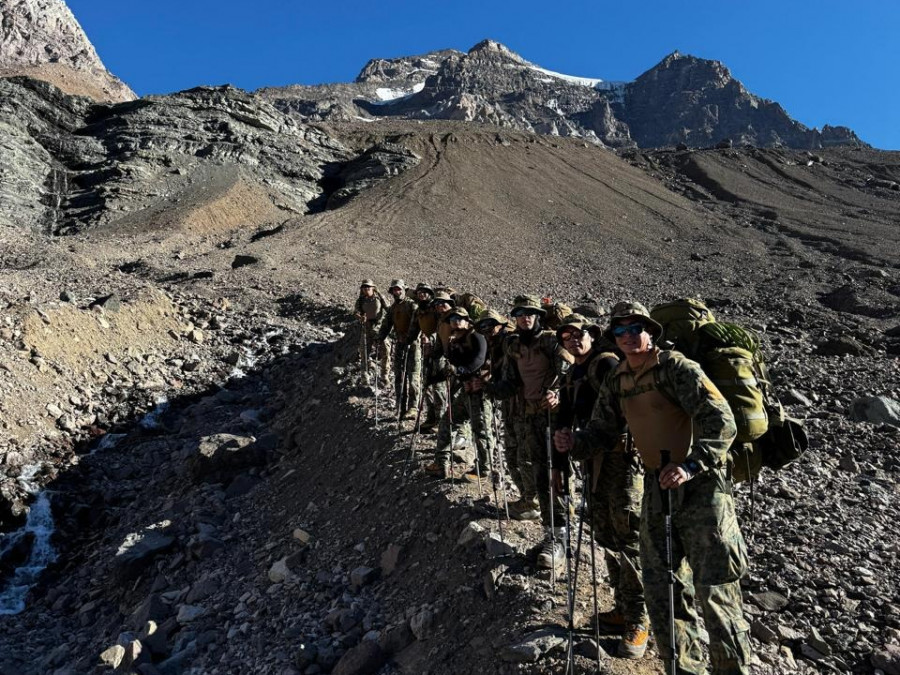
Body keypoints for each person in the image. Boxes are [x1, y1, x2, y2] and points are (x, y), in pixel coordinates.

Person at [555, 301, 750, 674]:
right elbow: (603, 429)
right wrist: (575, 443)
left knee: (716, 592)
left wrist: (691, 465)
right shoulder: (619, 378)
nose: (627, 337)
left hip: (703, 489)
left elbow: (721, 421)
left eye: (634, 329)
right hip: (656, 487)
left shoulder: (676, 368)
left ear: (650, 332)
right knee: (663, 590)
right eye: (619, 331)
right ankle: (683, 668)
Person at [554, 315, 649, 659]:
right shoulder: (575, 372)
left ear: (591, 335)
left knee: (629, 537)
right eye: (566, 337)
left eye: (577, 335)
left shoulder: (606, 365)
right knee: (607, 534)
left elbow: (621, 416)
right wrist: (565, 451)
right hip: (594, 460)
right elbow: (567, 413)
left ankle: (640, 617)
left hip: (622, 462)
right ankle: (622, 609)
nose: (572, 341)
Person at [481, 295, 573, 569]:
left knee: (555, 475)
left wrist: (557, 393)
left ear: (538, 316)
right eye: (520, 314)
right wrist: (484, 385)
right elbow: (510, 382)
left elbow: (569, 375)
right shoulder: (513, 344)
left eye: (530, 313)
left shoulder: (552, 341)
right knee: (538, 473)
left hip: (553, 419)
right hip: (527, 417)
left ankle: (560, 537)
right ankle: (550, 533)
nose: (525, 318)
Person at [427, 307, 495, 481]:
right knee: (447, 422)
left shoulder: (476, 337)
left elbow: (478, 361)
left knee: (481, 431)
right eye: (452, 319)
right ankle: (441, 464)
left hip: (480, 391)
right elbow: (453, 368)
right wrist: (433, 379)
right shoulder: (455, 340)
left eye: (460, 318)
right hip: (466, 391)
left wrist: (459, 369)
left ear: (467, 320)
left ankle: (484, 470)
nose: (456, 321)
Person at [377, 279, 420, 419]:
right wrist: (380, 337)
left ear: (403, 290)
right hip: (399, 344)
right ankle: (399, 407)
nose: (396, 292)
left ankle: (413, 407)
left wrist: (410, 337)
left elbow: (417, 324)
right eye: (394, 290)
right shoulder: (393, 308)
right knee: (398, 376)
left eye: (398, 289)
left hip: (413, 345)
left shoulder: (412, 305)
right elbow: (386, 324)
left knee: (413, 376)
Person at [353, 279, 388, 383]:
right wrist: (360, 317)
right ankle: (364, 375)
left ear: (373, 287)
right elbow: (355, 312)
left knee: (386, 349)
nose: (366, 289)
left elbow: (388, 310)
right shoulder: (361, 300)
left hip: (379, 327)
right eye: (364, 287)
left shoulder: (380, 298)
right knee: (364, 351)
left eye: (368, 287)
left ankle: (384, 375)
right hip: (366, 328)